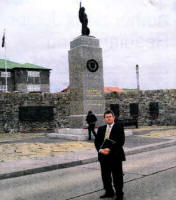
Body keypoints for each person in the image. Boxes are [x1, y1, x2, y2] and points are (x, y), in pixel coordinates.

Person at [94, 110, 126, 200]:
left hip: (115, 156)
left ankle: (119, 194)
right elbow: (97, 142)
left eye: (110, 116)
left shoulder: (119, 127)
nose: (108, 118)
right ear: (104, 119)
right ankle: (109, 192)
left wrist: (109, 149)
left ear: (113, 117)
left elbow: (121, 141)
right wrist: (100, 150)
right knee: (105, 176)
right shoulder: (101, 129)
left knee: (117, 176)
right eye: (107, 117)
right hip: (103, 157)